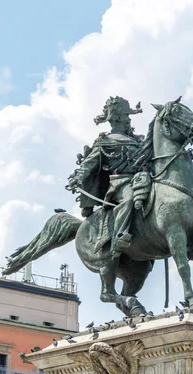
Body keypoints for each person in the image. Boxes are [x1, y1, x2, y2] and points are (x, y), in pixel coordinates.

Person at [67, 96, 144, 259]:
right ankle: (120, 236)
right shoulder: (105, 142)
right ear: (117, 118)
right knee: (129, 199)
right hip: (120, 183)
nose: (128, 120)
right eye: (126, 116)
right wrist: (78, 178)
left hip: (142, 180)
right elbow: (88, 164)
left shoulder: (137, 141)